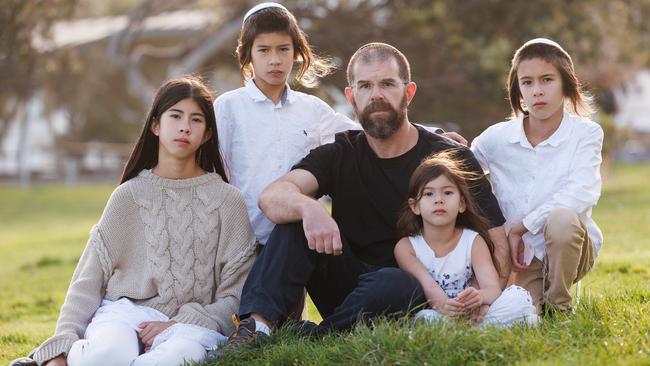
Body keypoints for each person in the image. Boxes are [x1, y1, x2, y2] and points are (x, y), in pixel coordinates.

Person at [219, 42, 510, 351]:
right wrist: (308, 207)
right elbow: (272, 197)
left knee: (396, 282)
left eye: (387, 84)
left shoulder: (449, 158)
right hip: (347, 287)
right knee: (295, 221)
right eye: (365, 86)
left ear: (408, 92)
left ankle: (313, 338)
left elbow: (497, 241)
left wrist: (478, 296)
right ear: (351, 97)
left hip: (417, 293)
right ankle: (256, 329)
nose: (376, 95)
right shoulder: (340, 153)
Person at [11, 76, 256, 366]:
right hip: (125, 314)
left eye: (196, 120)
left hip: (192, 326)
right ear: (155, 125)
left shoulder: (228, 201)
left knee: (174, 360)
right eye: (175, 116)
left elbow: (235, 293)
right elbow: (89, 280)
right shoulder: (128, 196)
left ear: (207, 134)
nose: (184, 127)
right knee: (107, 355)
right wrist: (61, 348)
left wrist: (180, 323)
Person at [214, 2, 467, 248]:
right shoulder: (228, 107)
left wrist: (434, 134)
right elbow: (213, 173)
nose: (275, 60)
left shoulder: (311, 109)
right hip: (240, 240)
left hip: (294, 239)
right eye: (264, 50)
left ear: (297, 52)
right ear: (247, 54)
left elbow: (365, 131)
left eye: (283, 49)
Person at [471, 38, 603, 313]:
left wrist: (524, 224)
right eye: (527, 82)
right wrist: (440, 140)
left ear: (565, 84)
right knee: (512, 310)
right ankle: (537, 299)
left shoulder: (586, 133)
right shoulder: (497, 138)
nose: (537, 91)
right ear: (517, 88)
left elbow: (581, 192)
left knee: (562, 217)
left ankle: (560, 306)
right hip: (518, 257)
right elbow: (463, 168)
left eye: (547, 80)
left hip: (569, 246)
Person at [394, 152, 538, 327]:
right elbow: (428, 286)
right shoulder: (407, 247)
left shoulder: (473, 240)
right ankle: (490, 329)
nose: (439, 200)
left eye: (447, 192)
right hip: (437, 311)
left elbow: (492, 288)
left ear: (461, 204)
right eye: (429, 194)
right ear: (415, 206)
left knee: (517, 296)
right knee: (426, 318)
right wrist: (445, 305)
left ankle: (484, 328)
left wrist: (479, 297)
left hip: (473, 312)